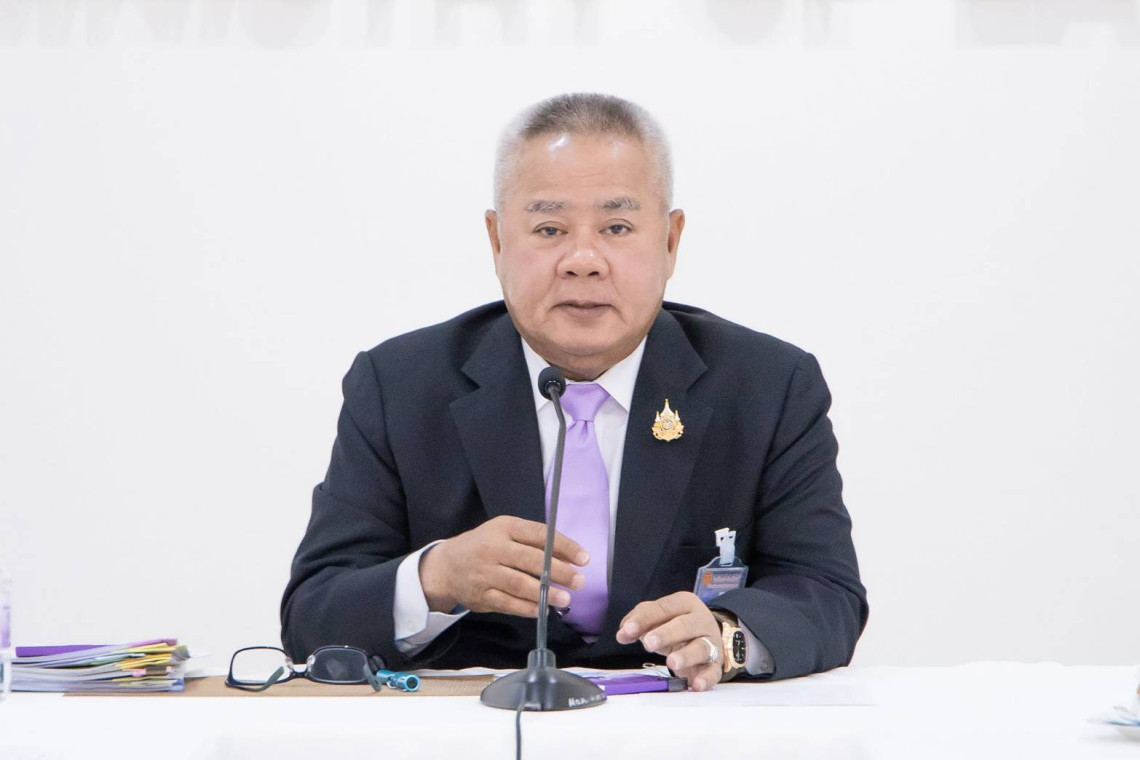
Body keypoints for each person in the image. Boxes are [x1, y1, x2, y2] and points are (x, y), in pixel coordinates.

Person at [281, 93, 867, 690]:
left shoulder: (768, 386)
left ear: (670, 241)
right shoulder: (400, 386)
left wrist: (726, 634)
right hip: (475, 724)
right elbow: (312, 617)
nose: (583, 260)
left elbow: (826, 592)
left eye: (617, 228)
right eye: (549, 229)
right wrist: (436, 577)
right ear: (497, 241)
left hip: (684, 724)